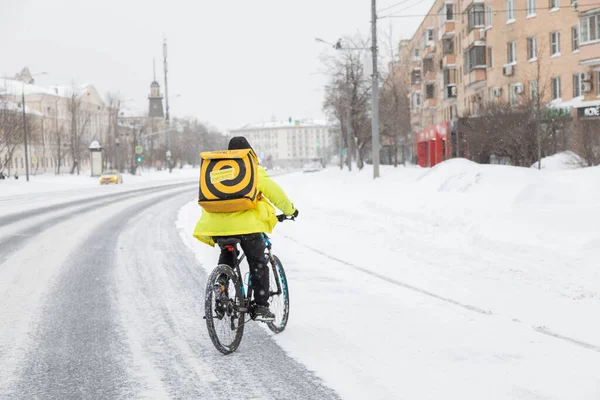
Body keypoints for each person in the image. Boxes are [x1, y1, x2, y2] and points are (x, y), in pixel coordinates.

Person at [193, 136, 298, 320]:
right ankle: (260, 307)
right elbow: (274, 193)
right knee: (258, 262)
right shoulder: (251, 169)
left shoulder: (218, 171)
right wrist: (290, 210)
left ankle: (221, 283)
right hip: (247, 228)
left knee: (227, 254)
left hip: (218, 226)